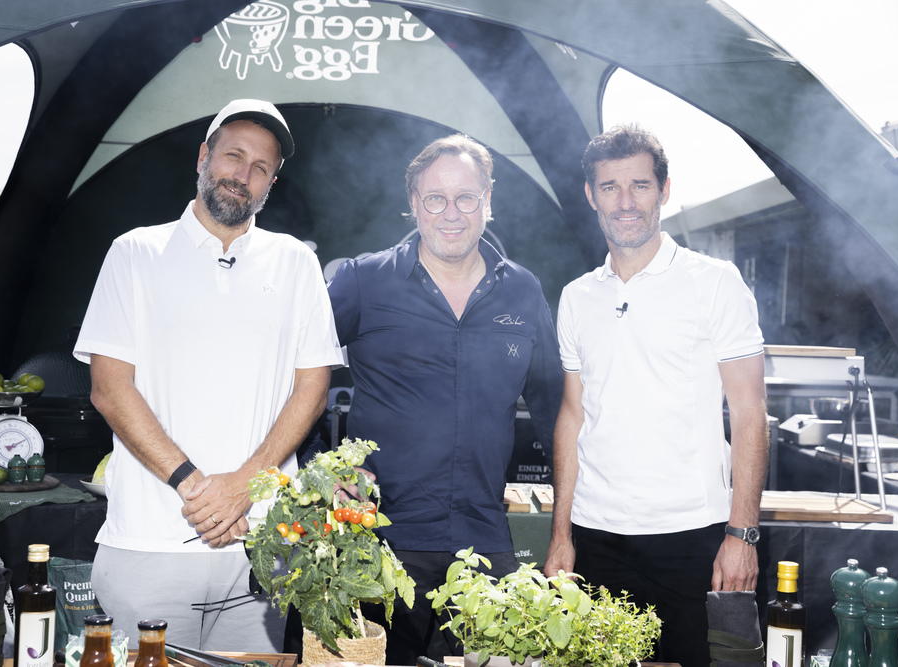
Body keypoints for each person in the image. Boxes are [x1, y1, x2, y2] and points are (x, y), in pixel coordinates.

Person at [73, 99, 344, 651]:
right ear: (203, 157)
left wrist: (244, 487)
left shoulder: (296, 262)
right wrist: (200, 490)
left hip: (261, 546)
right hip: (148, 544)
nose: (243, 175)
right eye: (233, 156)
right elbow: (109, 389)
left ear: (272, 183)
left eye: (261, 167)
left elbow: (313, 388)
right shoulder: (135, 253)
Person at [326, 134, 563, 664]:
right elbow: (298, 374)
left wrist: (566, 525)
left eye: (466, 197)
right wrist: (326, 467)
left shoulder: (523, 291)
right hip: (379, 540)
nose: (451, 213)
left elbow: (557, 414)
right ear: (414, 202)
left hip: (483, 542)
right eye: (435, 198)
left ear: (488, 200)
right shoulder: (364, 281)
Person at [543, 125, 769, 667]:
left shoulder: (715, 282)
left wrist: (742, 535)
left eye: (640, 185)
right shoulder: (576, 297)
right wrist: (561, 534)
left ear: (664, 190)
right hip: (596, 538)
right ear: (591, 195)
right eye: (610, 187)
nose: (625, 202)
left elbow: (750, 413)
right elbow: (573, 417)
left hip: (692, 536)